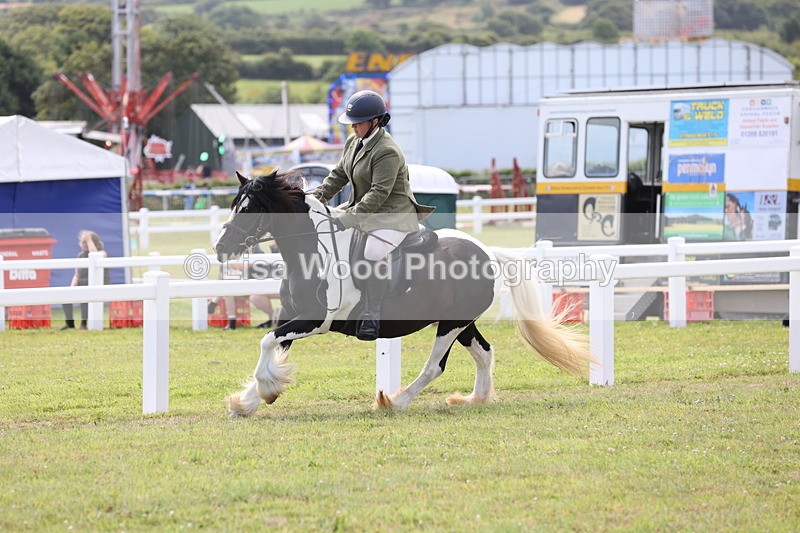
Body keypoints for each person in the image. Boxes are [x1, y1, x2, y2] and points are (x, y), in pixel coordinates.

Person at [312, 90, 434, 341]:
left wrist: (347, 219)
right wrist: (313, 200)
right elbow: (338, 176)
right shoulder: (353, 142)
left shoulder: (387, 151)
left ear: (375, 121)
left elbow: (379, 193)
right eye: (352, 122)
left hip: (392, 214)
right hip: (364, 209)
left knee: (373, 252)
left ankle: (371, 313)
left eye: (357, 122)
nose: (353, 126)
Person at [61, 230, 108, 330]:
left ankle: (84, 323)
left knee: (85, 298)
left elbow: (95, 257)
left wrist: (89, 239)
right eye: (83, 242)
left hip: (95, 285)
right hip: (81, 283)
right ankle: (70, 324)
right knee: (65, 297)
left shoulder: (102, 253)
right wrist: (72, 287)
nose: (84, 244)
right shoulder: (80, 256)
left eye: (87, 241)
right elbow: (77, 275)